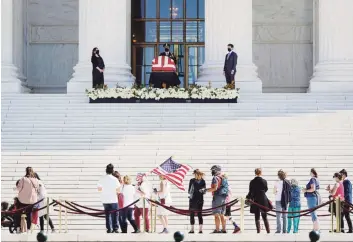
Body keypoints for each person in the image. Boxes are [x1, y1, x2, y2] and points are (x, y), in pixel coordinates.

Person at [203, 165, 228, 234]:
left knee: (216, 214)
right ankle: (224, 229)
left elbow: (215, 188)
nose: (212, 171)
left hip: (217, 197)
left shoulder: (215, 178)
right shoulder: (223, 177)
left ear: (216, 170)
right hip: (224, 197)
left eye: (213, 170)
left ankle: (217, 230)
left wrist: (205, 190)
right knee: (222, 214)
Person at [97, 164, 121, 233]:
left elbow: (99, 189)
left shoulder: (101, 178)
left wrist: (104, 191)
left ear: (106, 170)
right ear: (112, 170)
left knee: (107, 215)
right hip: (113, 199)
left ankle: (109, 229)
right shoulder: (115, 179)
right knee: (115, 214)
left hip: (105, 199)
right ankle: (115, 228)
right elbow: (118, 191)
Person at [246, 168, 271, 234]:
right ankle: (268, 231)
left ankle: (258, 231)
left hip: (255, 199)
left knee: (257, 216)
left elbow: (250, 191)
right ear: (261, 173)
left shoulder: (252, 181)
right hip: (263, 199)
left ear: (255, 173)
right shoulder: (264, 181)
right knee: (264, 216)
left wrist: (248, 197)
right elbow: (266, 189)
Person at [15, 167, 40, 233]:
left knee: (19, 213)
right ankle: (28, 230)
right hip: (32, 201)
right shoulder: (36, 180)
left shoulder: (23, 179)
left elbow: (18, 188)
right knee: (29, 215)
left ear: (26, 171)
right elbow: (37, 189)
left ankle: (18, 227)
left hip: (23, 200)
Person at [188, 169, 206, 234]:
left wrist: (203, 190)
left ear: (199, 174)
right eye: (194, 174)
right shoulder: (192, 180)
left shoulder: (203, 181)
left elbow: (204, 191)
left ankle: (200, 230)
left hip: (200, 200)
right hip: (192, 200)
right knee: (191, 214)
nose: (194, 175)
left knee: (199, 214)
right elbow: (189, 190)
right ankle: (192, 229)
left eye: (195, 174)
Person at [340, 169, 352, 233]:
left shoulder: (346, 182)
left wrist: (343, 198)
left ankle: (347, 229)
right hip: (346, 200)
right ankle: (347, 229)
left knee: (344, 215)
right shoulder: (345, 181)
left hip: (346, 201)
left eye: (341, 174)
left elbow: (347, 192)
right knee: (344, 215)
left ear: (344, 174)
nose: (340, 176)